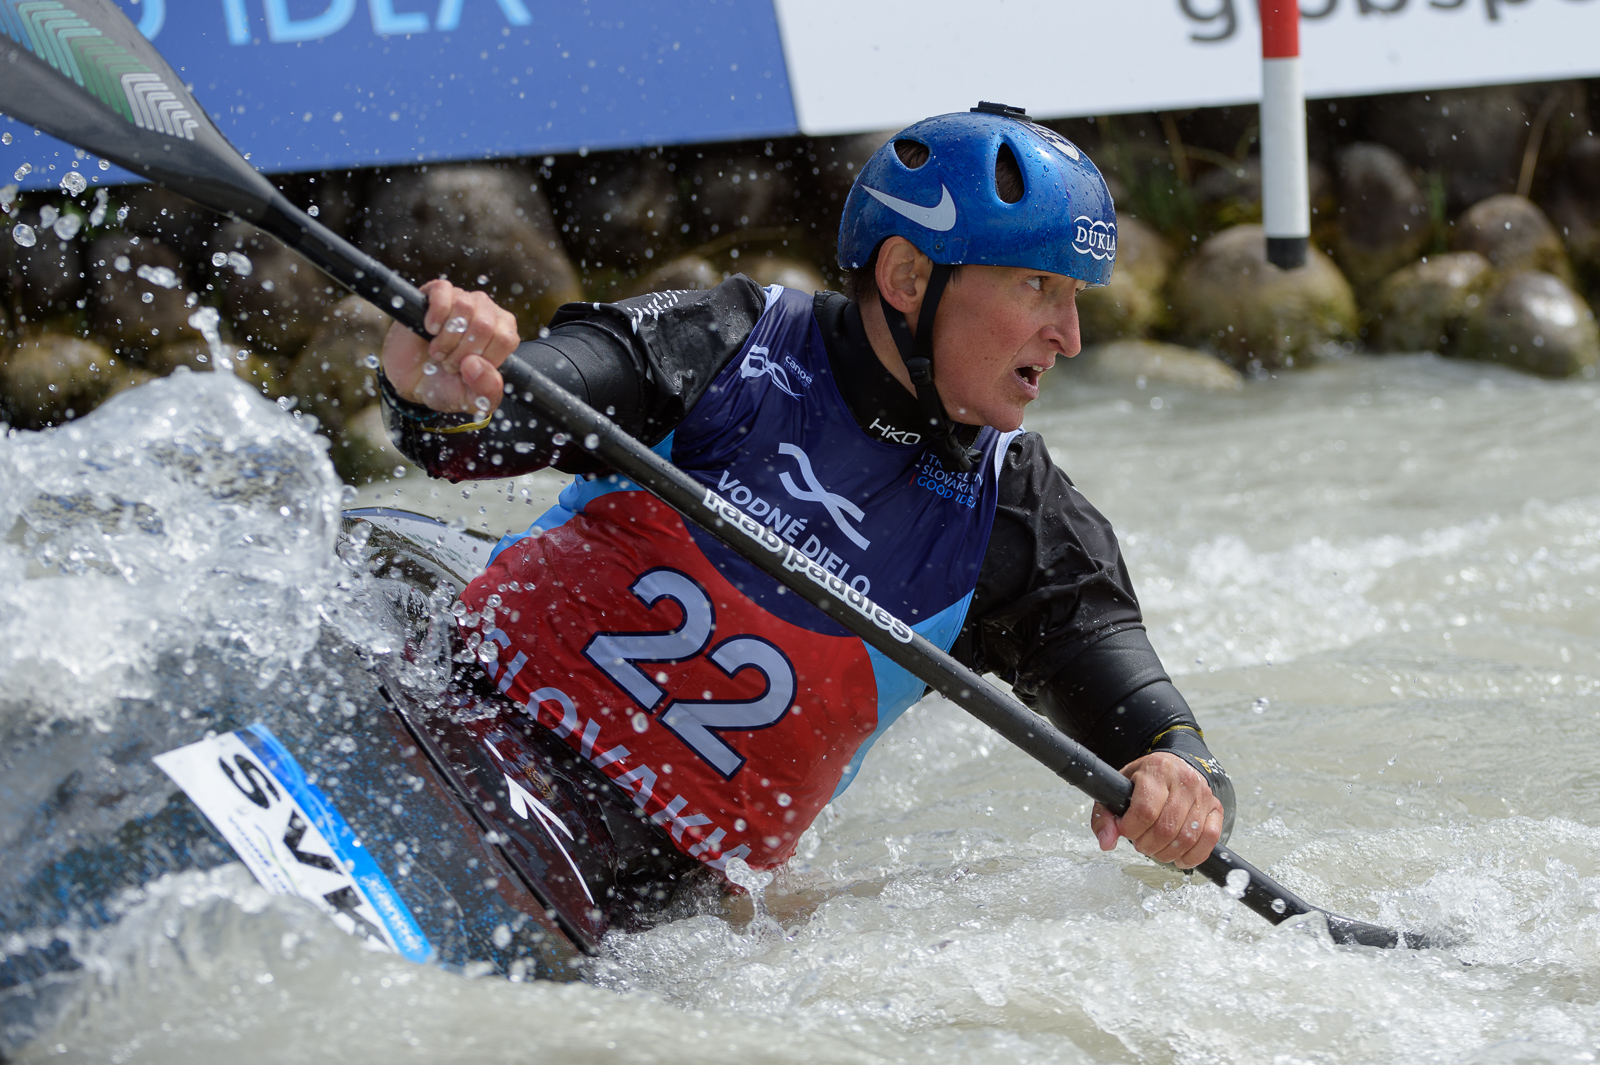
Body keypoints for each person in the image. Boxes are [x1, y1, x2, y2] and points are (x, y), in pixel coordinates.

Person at [376, 103, 1235, 909]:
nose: (1069, 336)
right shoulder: (723, 344)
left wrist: (1179, 779)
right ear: (907, 274)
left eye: (1074, 297)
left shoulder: (1021, 521)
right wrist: (444, 385)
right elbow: (486, 426)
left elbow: (1155, 727)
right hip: (454, 713)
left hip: (646, 897)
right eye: (1039, 288)